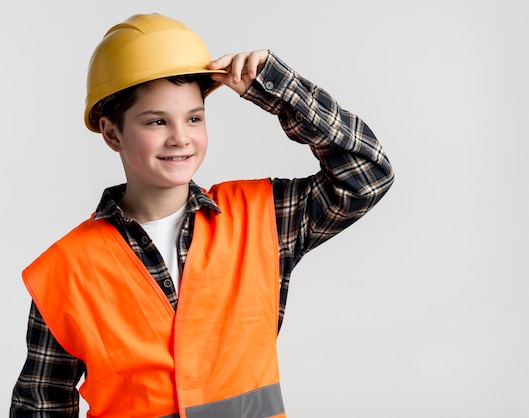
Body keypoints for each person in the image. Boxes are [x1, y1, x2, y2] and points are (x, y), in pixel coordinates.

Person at [10, 12, 394, 418]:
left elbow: (367, 174)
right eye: (156, 121)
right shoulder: (64, 270)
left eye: (194, 118)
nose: (180, 138)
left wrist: (277, 87)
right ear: (112, 133)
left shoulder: (263, 218)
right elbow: (41, 405)